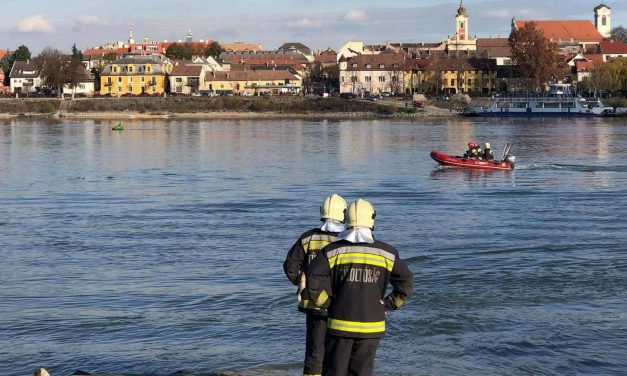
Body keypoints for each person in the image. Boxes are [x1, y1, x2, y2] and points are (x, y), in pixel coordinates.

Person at [305, 199, 413, 376]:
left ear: (347, 220)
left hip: (339, 324)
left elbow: (313, 276)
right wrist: (388, 305)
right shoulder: (387, 252)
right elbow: (406, 282)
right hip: (372, 327)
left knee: (334, 371)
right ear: (371, 220)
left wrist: (325, 303)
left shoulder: (332, 251)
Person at [284, 193, 348, 376]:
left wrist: (302, 283)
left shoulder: (308, 237)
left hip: (313, 304)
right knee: (338, 352)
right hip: (339, 304)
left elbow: (290, 267)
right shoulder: (345, 239)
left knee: (314, 352)